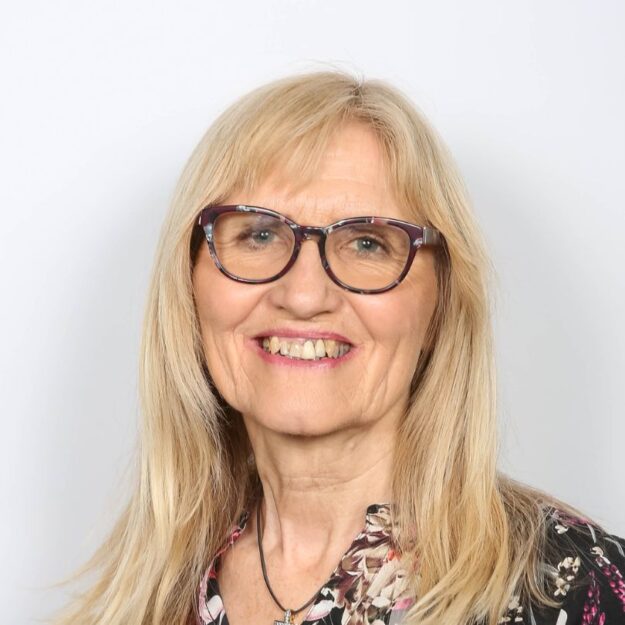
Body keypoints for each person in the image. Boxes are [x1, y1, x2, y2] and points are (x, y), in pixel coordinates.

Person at [50, 71, 625, 625]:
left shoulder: (573, 589)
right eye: (259, 234)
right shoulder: (143, 601)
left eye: (367, 243)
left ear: (441, 304)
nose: (303, 296)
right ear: (190, 282)